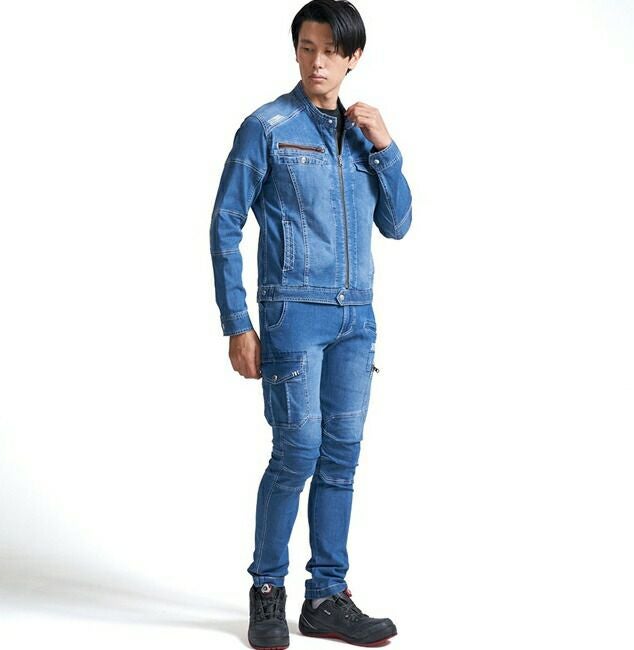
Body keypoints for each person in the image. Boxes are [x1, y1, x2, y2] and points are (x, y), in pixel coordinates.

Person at [209, 1, 412, 647]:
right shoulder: (267, 126)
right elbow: (224, 223)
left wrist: (387, 148)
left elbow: (398, 223)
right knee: (296, 452)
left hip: (357, 318)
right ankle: (268, 591)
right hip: (293, 313)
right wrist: (237, 322)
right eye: (306, 47)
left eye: (329, 50)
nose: (316, 61)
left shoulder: (364, 133)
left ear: (353, 57)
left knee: (341, 457)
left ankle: (326, 596)